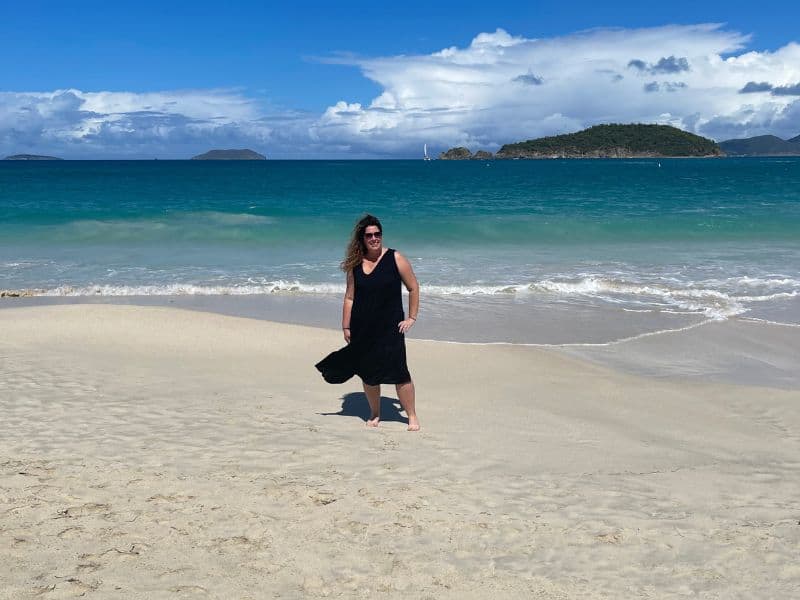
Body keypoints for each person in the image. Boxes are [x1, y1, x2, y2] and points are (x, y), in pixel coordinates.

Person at [315, 214, 420, 431]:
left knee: (400, 372)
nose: (374, 238)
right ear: (362, 239)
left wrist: (411, 318)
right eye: (369, 235)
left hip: (390, 327)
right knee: (369, 373)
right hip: (363, 327)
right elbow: (349, 297)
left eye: (377, 234)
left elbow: (413, 288)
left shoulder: (395, 258)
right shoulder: (355, 265)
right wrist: (346, 326)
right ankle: (375, 413)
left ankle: (411, 416)